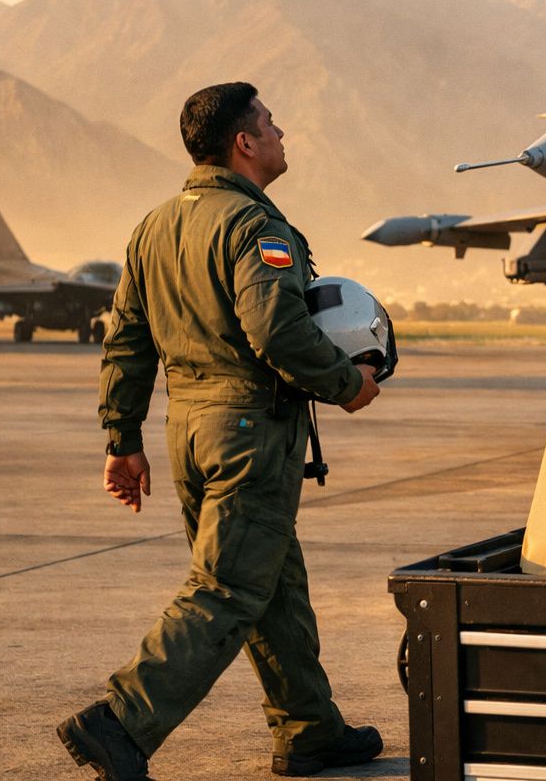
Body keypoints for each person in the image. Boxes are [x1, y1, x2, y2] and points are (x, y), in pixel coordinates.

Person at [57, 82, 384, 780]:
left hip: (189, 430)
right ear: (244, 142)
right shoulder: (255, 227)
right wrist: (345, 383)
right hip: (248, 431)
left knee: (272, 582)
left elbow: (126, 342)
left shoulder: (155, 226)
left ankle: (310, 731)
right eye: (270, 121)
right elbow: (277, 329)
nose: (281, 130)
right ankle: (120, 721)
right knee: (227, 589)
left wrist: (123, 440)